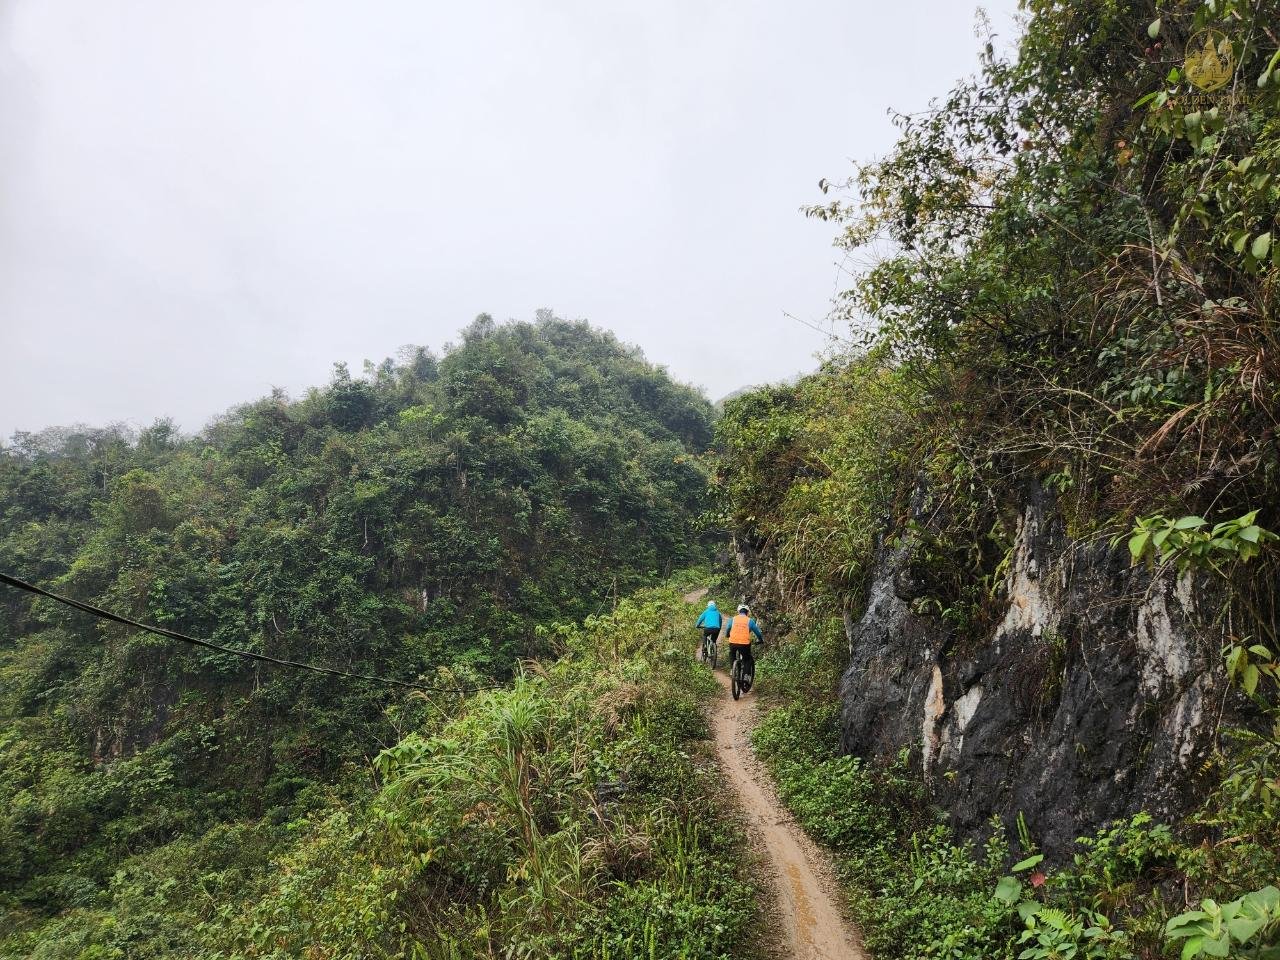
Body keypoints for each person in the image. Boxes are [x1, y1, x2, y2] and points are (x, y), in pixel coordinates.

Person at [724, 603, 763, 689]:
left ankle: (732, 670)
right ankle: (745, 675)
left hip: (733, 642)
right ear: (747, 612)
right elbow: (758, 633)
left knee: (732, 654)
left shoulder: (733, 619)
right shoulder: (750, 621)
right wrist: (760, 640)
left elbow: (727, 629)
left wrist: (727, 635)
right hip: (744, 644)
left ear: (738, 611)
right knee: (747, 659)